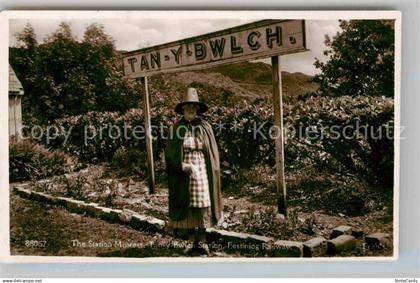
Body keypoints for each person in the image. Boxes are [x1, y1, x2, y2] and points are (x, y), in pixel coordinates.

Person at [165, 87, 223, 256]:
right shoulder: (176, 128)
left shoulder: (205, 126)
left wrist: (211, 169)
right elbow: (170, 153)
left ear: (197, 109)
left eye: (193, 107)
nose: (190, 109)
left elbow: (212, 152)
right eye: (187, 107)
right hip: (184, 169)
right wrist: (181, 165)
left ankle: (203, 241)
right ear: (182, 109)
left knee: (203, 202)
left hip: (202, 168)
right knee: (188, 202)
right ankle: (191, 241)